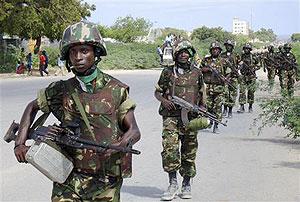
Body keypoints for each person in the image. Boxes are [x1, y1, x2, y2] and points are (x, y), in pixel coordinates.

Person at [14, 21, 141, 202]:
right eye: (73, 52)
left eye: (84, 51)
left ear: (96, 53)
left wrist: (122, 144)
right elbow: (32, 107)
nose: (78, 57)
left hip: (105, 179)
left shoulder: (116, 89)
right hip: (67, 175)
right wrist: (19, 143)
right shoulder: (62, 89)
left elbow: (134, 131)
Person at [155, 40, 207, 200]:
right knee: (170, 150)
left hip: (190, 118)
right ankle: (172, 183)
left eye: (187, 52)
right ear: (176, 54)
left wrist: (203, 108)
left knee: (189, 150)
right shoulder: (168, 72)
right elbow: (158, 92)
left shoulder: (197, 72)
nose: (184, 55)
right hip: (171, 118)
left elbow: (202, 93)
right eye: (181, 52)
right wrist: (164, 101)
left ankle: (186, 183)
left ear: (191, 54)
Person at [201, 41, 230, 133]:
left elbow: (229, 73)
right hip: (208, 88)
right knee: (208, 106)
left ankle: (216, 125)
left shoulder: (224, 61)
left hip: (219, 88)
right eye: (213, 49)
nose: (215, 51)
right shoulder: (206, 60)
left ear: (220, 50)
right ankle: (209, 122)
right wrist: (207, 69)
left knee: (218, 107)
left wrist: (226, 79)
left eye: (217, 49)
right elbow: (199, 70)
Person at [237, 43, 260, 113]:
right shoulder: (241, 57)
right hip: (243, 76)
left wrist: (253, 69)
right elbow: (238, 64)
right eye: (245, 48)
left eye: (247, 48)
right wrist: (240, 66)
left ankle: (250, 106)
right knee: (242, 91)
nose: (246, 50)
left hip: (251, 76)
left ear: (250, 49)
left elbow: (259, 65)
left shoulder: (253, 57)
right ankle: (242, 107)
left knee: (251, 92)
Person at [220, 39, 239, 118]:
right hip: (224, 77)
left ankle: (230, 110)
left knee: (232, 94)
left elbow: (240, 64)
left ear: (232, 47)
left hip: (233, 77)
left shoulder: (236, 55)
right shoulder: (221, 55)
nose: (228, 47)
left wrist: (236, 70)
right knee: (224, 93)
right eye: (227, 46)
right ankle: (224, 109)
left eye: (229, 46)